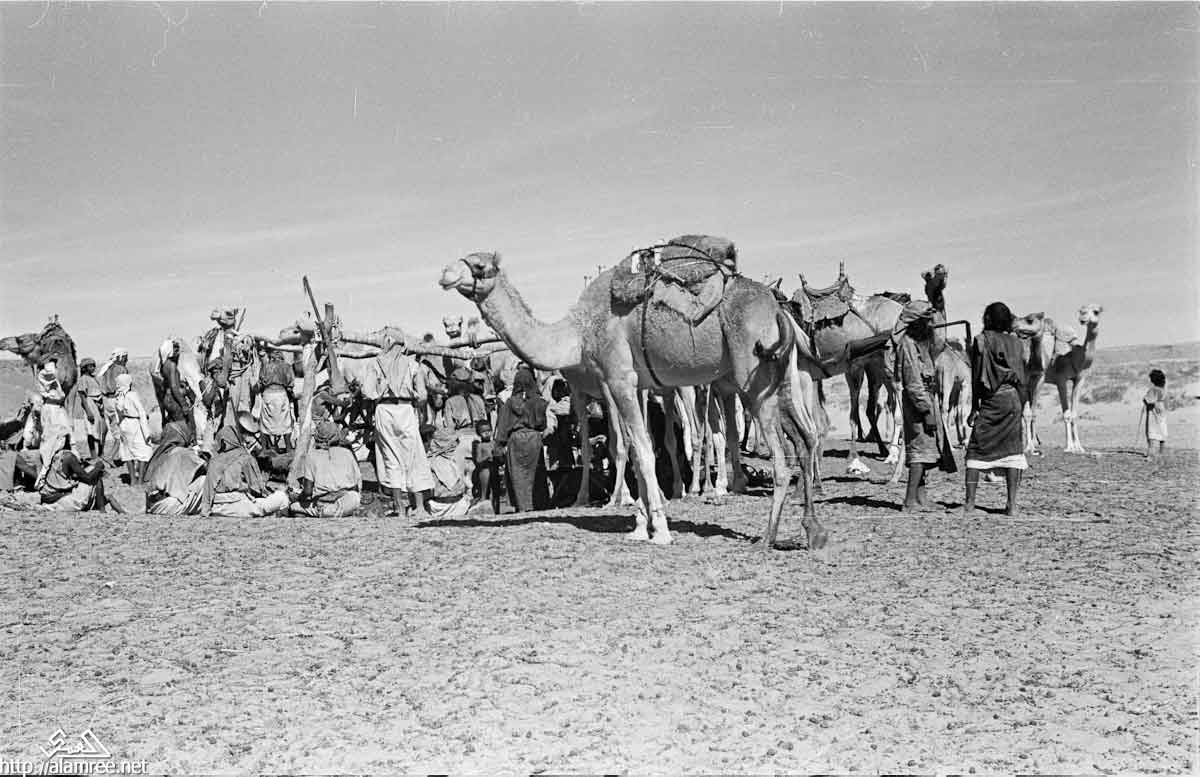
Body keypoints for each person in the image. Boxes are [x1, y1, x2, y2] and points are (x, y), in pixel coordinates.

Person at [962, 302, 1028, 517]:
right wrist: (1022, 405)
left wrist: (974, 407)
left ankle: (970, 504)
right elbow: (1022, 377)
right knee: (1013, 452)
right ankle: (1012, 504)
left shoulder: (981, 341)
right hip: (1013, 400)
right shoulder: (1016, 343)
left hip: (991, 399)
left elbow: (976, 377)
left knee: (975, 451)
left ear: (987, 318)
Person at [361, 330, 434, 518]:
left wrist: (380, 393)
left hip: (384, 410)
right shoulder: (413, 365)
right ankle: (419, 507)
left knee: (390, 458)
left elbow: (367, 391)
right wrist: (416, 402)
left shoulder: (375, 363)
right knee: (413, 456)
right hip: (405, 408)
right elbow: (423, 395)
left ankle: (399, 507)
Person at [893, 300, 956, 511]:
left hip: (927, 398)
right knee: (919, 451)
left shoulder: (920, 344)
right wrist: (926, 410)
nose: (931, 325)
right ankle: (910, 501)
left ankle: (921, 499)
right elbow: (913, 382)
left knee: (927, 449)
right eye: (927, 321)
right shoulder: (908, 345)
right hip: (918, 402)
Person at [200, 413, 290, 517]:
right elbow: (257, 489)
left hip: (216, 507)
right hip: (239, 504)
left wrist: (206, 511)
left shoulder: (214, 461)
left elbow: (208, 492)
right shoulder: (246, 458)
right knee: (281, 497)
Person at [494, 365, 550, 513]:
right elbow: (543, 424)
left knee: (518, 474)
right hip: (534, 438)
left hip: (516, 439)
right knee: (536, 472)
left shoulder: (509, 403)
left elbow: (502, 426)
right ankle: (537, 503)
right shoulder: (539, 402)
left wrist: (499, 445)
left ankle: (522, 505)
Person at [34, 425, 122, 512]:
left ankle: (101, 506)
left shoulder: (47, 455)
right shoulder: (68, 456)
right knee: (96, 476)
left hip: (48, 497)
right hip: (61, 498)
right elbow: (87, 478)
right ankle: (102, 510)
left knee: (91, 472)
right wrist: (98, 466)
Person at [290, 418, 363, 517]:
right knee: (354, 497)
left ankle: (323, 513)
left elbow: (307, 492)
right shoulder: (347, 453)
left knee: (293, 506)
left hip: (324, 507)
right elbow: (357, 484)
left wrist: (298, 497)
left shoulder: (312, 456)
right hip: (349, 502)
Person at [144, 420, 206, 515]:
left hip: (152, 504)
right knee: (204, 480)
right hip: (168, 505)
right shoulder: (182, 452)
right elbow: (206, 468)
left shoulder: (157, 454)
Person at [442, 366, 488, 485]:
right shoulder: (478, 399)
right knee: (479, 474)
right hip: (478, 438)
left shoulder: (450, 402)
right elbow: (485, 422)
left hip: (461, 439)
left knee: (462, 476)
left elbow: (449, 428)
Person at [114, 373, 153, 485]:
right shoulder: (132, 395)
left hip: (125, 425)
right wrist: (146, 431)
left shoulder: (118, 397)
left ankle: (132, 479)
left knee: (128, 452)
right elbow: (141, 411)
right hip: (135, 424)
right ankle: (140, 480)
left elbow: (118, 415)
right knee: (143, 450)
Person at [424, 426, 472, 518]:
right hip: (447, 506)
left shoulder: (429, 461)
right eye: (455, 441)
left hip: (441, 506)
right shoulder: (455, 460)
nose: (457, 443)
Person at [153, 338, 197, 433]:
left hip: (167, 399)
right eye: (176, 349)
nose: (178, 352)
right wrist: (184, 404)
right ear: (170, 351)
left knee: (174, 426)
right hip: (173, 400)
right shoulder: (172, 365)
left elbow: (169, 382)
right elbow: (174, 387)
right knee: (183, 427)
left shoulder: (163, 365)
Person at [258, 349, 296, 452]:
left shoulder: (265, 366)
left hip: (268, 394)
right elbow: (290, 385)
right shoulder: (287, 366)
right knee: (285, 422)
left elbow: (260, 383)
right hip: (281, 394)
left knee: (265, 422)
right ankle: (288, 447)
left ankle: (264, 449)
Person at [97, 347, 129, 462]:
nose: (126, 360)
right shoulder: (121, 369)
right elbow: (125, 388)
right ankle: (111, 457)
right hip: (116, 400)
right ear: (121, 357)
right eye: (125, 357)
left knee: (114, 429)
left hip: (106, 401)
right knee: (121, 432)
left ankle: (110, 454)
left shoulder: (106, 368)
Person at [76, 357, 105, 457]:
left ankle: (101, 453)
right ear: (84, 368)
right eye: (90, 366)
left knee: (100, 429)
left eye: (93, 366)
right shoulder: (83, 379)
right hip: (90, 404)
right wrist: (88, 412)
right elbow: (82, 397)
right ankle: (93, 454)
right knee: (91, 431)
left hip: (98, 405)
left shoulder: (94, 378)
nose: (93, 368)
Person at [471, 419, 499, 513]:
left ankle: (497, 510)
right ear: (479, 433)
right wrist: (486, 457)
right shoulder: (480, 445)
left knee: (496, 491)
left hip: (495, 470)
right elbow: (478, 460)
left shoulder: (494, 443)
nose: (487, 433)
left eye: (489, 430)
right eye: (483, 431)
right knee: (485, 492)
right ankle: (485, 508)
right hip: (484, 471)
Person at [1140, 369, 1169, 460]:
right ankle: (1161, 452)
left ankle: (1150, 454)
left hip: (1154, 412)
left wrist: (1146, 402)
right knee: (1162, 429)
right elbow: (1166, 402)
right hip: (1162, 411)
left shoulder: (1153, 390)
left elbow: (1147, 400)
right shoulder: (1163, 390)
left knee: (1151, 432)